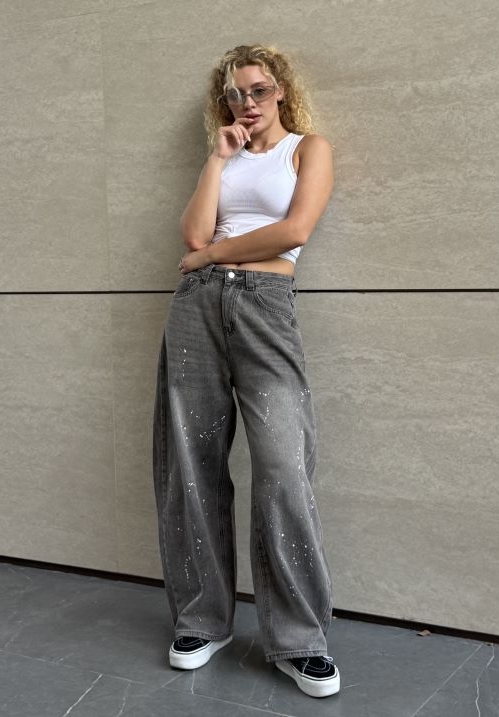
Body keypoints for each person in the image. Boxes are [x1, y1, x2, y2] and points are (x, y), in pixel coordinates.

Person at [152, 43, 339, 698]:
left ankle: (300, 638)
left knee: (284, 467)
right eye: (234, 94)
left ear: (281, 89)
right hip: (197, 309)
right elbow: (193, 235)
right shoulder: (226, 154)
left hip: (265, 304)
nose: (247, 103)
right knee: (192, 465)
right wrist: (217, 157)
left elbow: (295, 230)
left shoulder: (308, 150)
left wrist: (214, 255)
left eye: (258, 90)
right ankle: (202, 621)